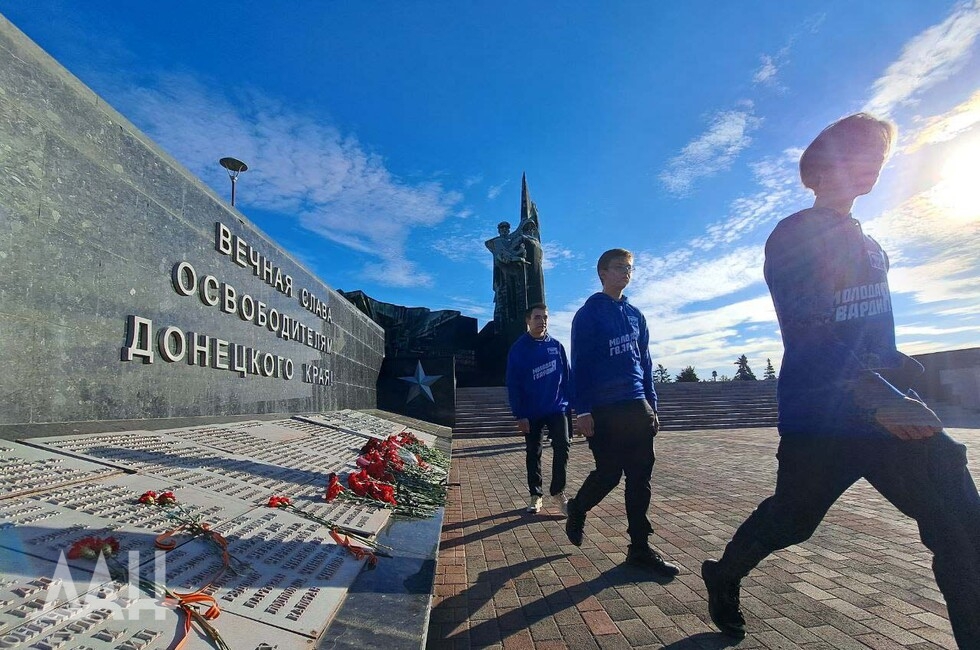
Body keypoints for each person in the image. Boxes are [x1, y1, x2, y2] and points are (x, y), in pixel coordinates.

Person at [701, 113, 980, 647]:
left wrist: (901, 376)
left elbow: (869, 330)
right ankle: (725, 573)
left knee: (963, 526)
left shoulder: (872, 245)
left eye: (879, 155)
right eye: (859, 151)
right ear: (821, 166)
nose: (873, 164)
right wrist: (877, 397)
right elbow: (807, 327)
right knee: (791, 521)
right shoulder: (795, 235)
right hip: (822, 417)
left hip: (888, 415)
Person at [564, 249, 679, 576]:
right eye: (618, 268)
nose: (625, 274)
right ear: (602, 272)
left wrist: (652, 404)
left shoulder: (635, 315)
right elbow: (580, 366)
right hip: (604, 407)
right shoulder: (588, 315)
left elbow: (645, 362)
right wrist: (582, 410)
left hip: (636, 404)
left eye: (629, 269)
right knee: (610, 474)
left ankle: (639, 549)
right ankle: (578, 507)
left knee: (640, 479)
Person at [506, 303, 572, 514]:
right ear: (528, 320)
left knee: (563, 445)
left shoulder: (557, 346)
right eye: (536, 317)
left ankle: (558, 491)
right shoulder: (519, 348)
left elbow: (567, 378)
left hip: (556, 407)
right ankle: (536, 495)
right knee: (534, 452)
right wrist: (520, 414)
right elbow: (514, 383)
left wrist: (574, 407)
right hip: (531, 411)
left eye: (544, 317)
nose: (541, 321)